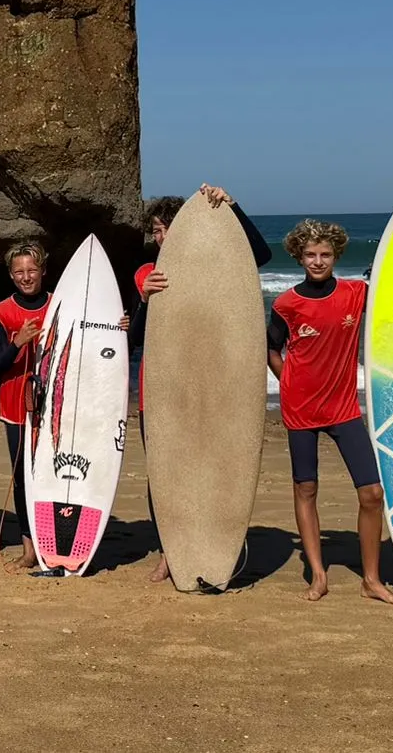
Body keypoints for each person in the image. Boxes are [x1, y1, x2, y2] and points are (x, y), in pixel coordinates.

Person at [268, 219, 393, 605]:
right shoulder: (286, 304)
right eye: (310, 254)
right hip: (300, 408)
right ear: (299, 256)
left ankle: (371, 579)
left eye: (325, 254)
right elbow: (271, 350)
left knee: (372, 493)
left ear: (336, 256)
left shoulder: (357, 293)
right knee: (306, 487)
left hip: (343, 407)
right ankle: (318, 575)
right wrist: (290, 384)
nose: (318, 261)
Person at [131, 184, 273, 582]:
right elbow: (137, 338)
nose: (162, 238)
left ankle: (212, 541)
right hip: (163, 392)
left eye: (168, 229)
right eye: (157, 232)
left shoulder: (219, 269)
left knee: (212, 462)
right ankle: (170, 552)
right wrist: (145, 299)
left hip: (213, 388)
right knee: (165, 469)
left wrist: (233, 207)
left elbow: (259, 255)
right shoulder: (149, 274)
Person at [0, 241, 50, 570]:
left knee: (51, 475)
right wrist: (18, 342)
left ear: (43, 270)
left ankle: (54, 541)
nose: (26, 276)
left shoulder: (60, 304)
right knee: (24, 477)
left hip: (53, 406)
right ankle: (30, 548)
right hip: (15, 404)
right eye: (19, 271)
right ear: (10, 274)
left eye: (32, 270)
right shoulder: (1, 312)